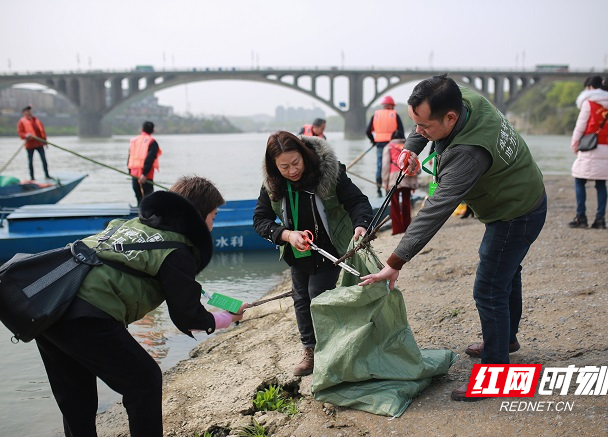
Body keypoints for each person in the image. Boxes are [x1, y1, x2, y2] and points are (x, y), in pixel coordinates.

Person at [359, 74, 547, 402]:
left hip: (517, 213)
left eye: (424, 127)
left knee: (489, 289)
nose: (418, 130)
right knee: (506, 273)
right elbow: (424, 129)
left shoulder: (469, 153)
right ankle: (505, 341)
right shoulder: (462, 98)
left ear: (451, 117)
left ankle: (496, 376)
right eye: (413, 122)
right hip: (520, 197)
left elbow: (435, 210)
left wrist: (394, 262)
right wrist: (411, 148)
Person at [34, 175, 248, 437]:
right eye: (214, 217)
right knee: (145, 381)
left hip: (49, 305)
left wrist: (224, 308)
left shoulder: (128, 225)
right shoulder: (177, 250)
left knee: (76, 396)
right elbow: (188, 317)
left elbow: (188, 292)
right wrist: (227, 318)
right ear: (199, 216)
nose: (213, 226)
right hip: (87, 313)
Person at [253, 131, 373, 376]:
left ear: (304, 156)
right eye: (284, 166)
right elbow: (260, 219)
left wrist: (361, 224)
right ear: (273, 166)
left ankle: (330, 350)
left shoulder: (327, 173)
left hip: (329, 249)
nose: (292, 170)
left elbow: (357, 201)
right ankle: (310, 350)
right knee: (300, 299)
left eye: (296, 163)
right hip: (297, 250)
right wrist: (287, 235)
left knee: (318, 294)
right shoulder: (273, 183)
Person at [568, 76, 608, 230]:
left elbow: (580, 127)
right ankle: (600, 220)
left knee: (579, 181)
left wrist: (574, 145)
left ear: (590, 87)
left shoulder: (588, 104)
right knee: (601, 184)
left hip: (590, 148)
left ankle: (581, 218)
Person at [381, 130, 420, 235]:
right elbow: (415, 164)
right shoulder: (409, 146)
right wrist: (414, 183)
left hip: (394, 179)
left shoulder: (388, 147)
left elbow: (385, 166)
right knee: (406, 203)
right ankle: (407, 227)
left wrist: (385, 181)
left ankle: (397, 228)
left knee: (394, 204)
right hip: (407, 177)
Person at [366, 95, 404, 197]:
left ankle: (378, 189)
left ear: (384, 105)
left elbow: (367, 131)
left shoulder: (376, 115)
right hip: (393, 145)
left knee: (380, 166)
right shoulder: (394, 115)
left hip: (379, 144)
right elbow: (401, 132)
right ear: (392, 106)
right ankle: (388, 188)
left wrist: (373, 140)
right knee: (391, 166)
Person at [128, 121, 161, 206]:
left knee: (138, 195)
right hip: (146, 174)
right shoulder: (152, 142)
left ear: (142, 129)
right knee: (148, 197)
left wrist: (129, 171)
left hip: (134, 172)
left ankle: (138, 210)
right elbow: (150, 158)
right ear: (153, 131)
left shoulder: (134, 140)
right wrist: (144, 173)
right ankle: (146, 216)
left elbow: (130, 156)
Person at [17, 105, 51, 180]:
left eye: (30, 110)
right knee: (30, 161)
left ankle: (47, 175)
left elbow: (42, 131)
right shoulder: (22, 121)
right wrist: (26, 135)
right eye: (27, 111)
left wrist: (45, 142)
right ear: (24, 112)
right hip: (30, 145)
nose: (29, 112)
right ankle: (32, 177)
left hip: (39, 143)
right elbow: (20, 133)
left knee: (44, 159)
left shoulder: (36, 120)